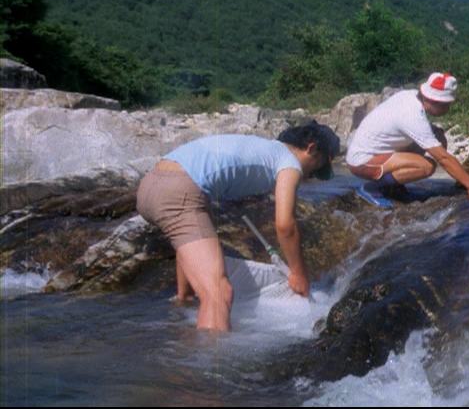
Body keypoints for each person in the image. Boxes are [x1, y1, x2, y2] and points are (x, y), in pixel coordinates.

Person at [135, 121, 340, 331]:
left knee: (196, 244)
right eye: (317, 167)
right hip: (179, 191)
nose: (311, 176)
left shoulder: (265, 149)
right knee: (219, 293)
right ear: (311, 148)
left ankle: (183, 303)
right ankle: (200, 362)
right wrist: (298, 273)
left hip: (150, 185)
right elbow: (285, 225)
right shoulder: (290, 164)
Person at [346, 72, 469, 207]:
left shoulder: (411, 96)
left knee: (437, 135)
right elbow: (443, 158)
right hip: (362, 161)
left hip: (375, 152)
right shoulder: (412, 115)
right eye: (446, 105)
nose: (448, 109)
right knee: (427, 166)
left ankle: (394, 185)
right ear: (432, 101)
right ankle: (373, 188)